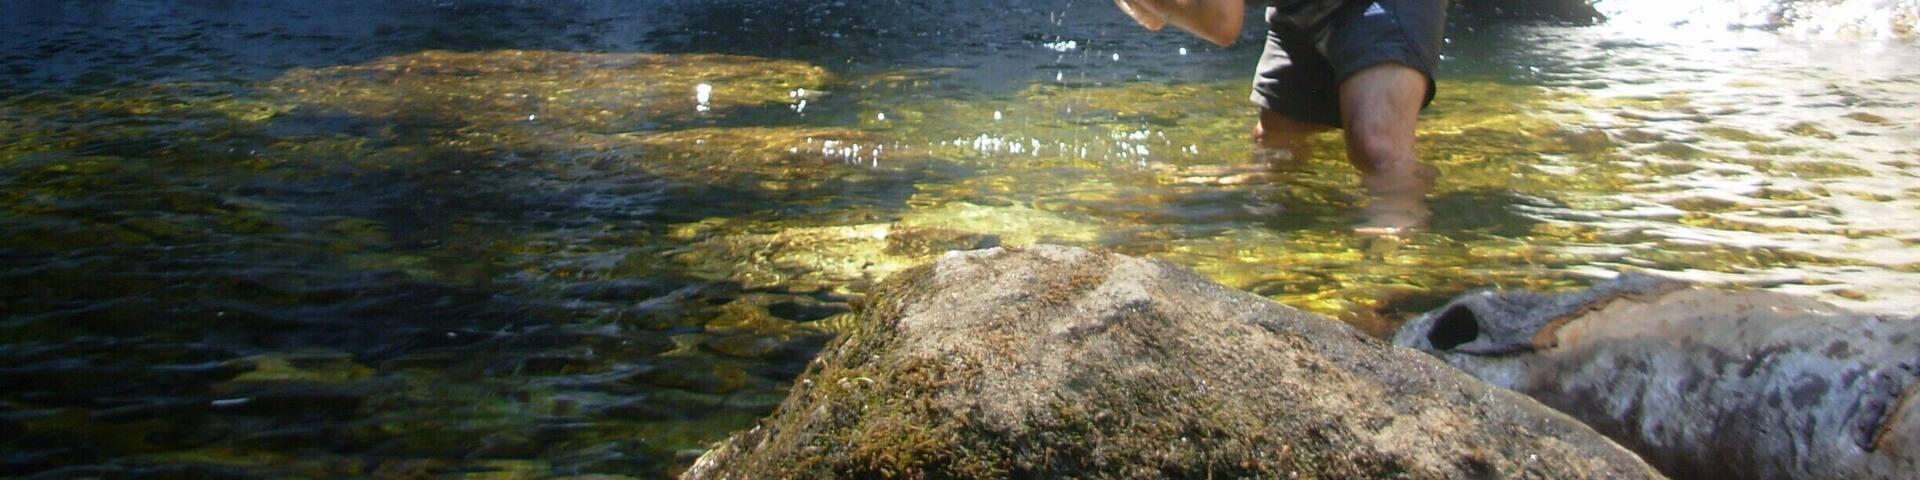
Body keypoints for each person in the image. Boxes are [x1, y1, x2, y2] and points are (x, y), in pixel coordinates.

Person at [1115, 0, 1448, 235]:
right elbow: (1161, 15)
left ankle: (1393, 282)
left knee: (1377, 149)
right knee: (1276, 149)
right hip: (1298, 9)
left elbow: (1220, 21)